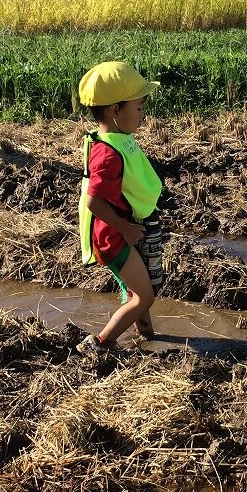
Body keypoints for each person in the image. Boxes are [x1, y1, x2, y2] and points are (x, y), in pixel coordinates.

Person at [77, 61, 164, 356]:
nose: (142, 114)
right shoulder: (107, 155)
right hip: (114, 237)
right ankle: (100, 343)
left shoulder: (116, 139)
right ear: (115, 110)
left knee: (138, 290)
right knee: (144, 297)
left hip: (125, 228)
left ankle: (147, 336)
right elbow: (93, 201)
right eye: (138, 107)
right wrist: (125, 228)